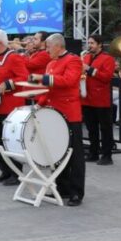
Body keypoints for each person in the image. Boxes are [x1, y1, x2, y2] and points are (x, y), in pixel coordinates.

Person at [30, 33, 85, 206]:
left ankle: (76, 192)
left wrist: (43, 78)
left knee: (75, 154)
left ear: (58, 46)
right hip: (54, 113)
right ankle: (63, 187)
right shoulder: (51, 63)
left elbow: (68, 81)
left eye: (48, 47)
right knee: (58, 153)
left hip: (69, 112)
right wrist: (39, 104)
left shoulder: (73, 60)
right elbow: (49, 89)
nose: (46, 51)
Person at [0, 30, 28, 186]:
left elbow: (23, 77)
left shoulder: (14, 57)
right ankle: (5, 170)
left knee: (9, 142)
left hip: (11, 106)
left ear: (0, 43)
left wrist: (7, 84)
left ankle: (15, 173)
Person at [82, 35, 116, 165]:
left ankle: (107, 155)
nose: (89, 45)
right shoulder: (85, 57)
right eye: (88, 43)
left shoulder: (108, 59)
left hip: (101, 99)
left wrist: (89, 69)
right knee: (91, 128)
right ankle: (93, 152)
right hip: (87, 98)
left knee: (105, 129)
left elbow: (106, 77)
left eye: (92, 43)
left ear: (100, 44)